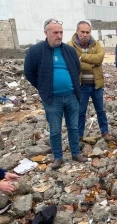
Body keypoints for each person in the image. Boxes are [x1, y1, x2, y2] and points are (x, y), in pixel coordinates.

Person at [24, 18, 87, 170]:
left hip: (72, 96)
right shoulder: (36, 51)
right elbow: (29, 72)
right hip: (52, 98)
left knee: (73, 127)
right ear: (46, 33)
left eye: (61, 32)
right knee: (55, 130)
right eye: (55, 32)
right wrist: (43, 87)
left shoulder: (69, 50)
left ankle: (75, 153)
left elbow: (76, 69)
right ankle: (58, 157)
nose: (59, 35)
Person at [67, 21, 114, 142]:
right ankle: (79, 135)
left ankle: (105, 132)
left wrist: (82, 57)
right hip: (81, 86)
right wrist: (91, 65)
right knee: (80, 111)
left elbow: (100, 58)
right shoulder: (70, 46)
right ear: (77, 31)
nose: (85, 34)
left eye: (87, 32)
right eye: (82, 32)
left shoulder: (96, 44)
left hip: (96, 84)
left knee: (101, 110)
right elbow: (74, 64)